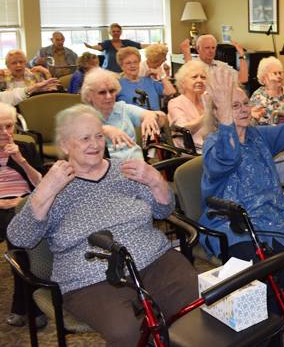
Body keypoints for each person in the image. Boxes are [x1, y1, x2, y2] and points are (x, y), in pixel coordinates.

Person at [7, 104, 197, 346]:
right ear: (65, 145)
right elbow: (21, 238)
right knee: (128, 330)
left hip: (155, 260)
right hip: (92, 280)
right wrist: (45, 190)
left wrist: (155, 181)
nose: (95, 144)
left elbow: (164, 210)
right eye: (85, 138)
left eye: (98, 136)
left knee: (194, 306)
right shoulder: (55, 185)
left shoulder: (124, 170)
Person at [199, 51, 284, 316]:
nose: (243, 109)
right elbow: (229, 157)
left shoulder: (259, 137)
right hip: (232, 225)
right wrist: (225, 114)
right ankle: (265, 325)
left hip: (271, 219)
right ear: (218, 114)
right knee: (264, 274)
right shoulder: (213, 145)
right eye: (234, 106)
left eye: (244, 104)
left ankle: (267, 317)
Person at [0, 103, 46, 329]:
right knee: (16, 236)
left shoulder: (24, 148)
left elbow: (41, 185)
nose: (5, 133)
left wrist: (21, 161)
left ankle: (22, 307)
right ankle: (32, 306)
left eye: (9, 126)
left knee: (16, 235)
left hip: (23, 203)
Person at [81, 68, 165, 161]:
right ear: (89, 96)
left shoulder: (122, 108)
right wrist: (103, 130)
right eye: (102, 92)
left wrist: (150, 117)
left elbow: (151, 115)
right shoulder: (83, 116)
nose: (109, 96)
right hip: (107, 170)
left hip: (137, 166)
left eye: (112, 91)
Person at [167, 60, 208, 152]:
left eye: (203, 77)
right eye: (194, 77)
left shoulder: (207, 100)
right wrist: (207, 116)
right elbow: (184, 130)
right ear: (183, 82)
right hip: (191, 153)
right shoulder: (175, 103)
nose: (199, 80)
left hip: (212, 148)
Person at [180, 35, 248, 85]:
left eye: (213, 48)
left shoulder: (222, 66)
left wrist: (241, 55)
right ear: (198, 49)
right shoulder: (193, 66)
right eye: (207, 48)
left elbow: (243, 79)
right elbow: (189, 84)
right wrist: (187, 55)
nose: (211, 51)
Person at [84, 23, 149, 73]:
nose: (116, 33)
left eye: (118, 31)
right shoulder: (107, 43)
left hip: (124, 72)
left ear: (120, 32)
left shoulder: (126, 42)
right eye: (113, 31)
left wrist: (153, 45)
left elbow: (140, 46)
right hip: (109, 73)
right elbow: (99, 47)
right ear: (110, 33)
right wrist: (91, 47)